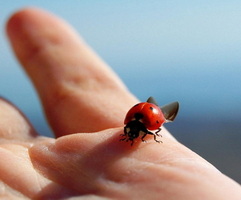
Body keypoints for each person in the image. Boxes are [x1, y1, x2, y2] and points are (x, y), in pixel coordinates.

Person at [1, 7, 241, 199]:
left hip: (148, 114)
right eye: (130, 133)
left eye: (131, 133)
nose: (130, 136)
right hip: (147, 114)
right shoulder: (140, 125)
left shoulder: (140, 125)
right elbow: (146, 127)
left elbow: (145, 126)